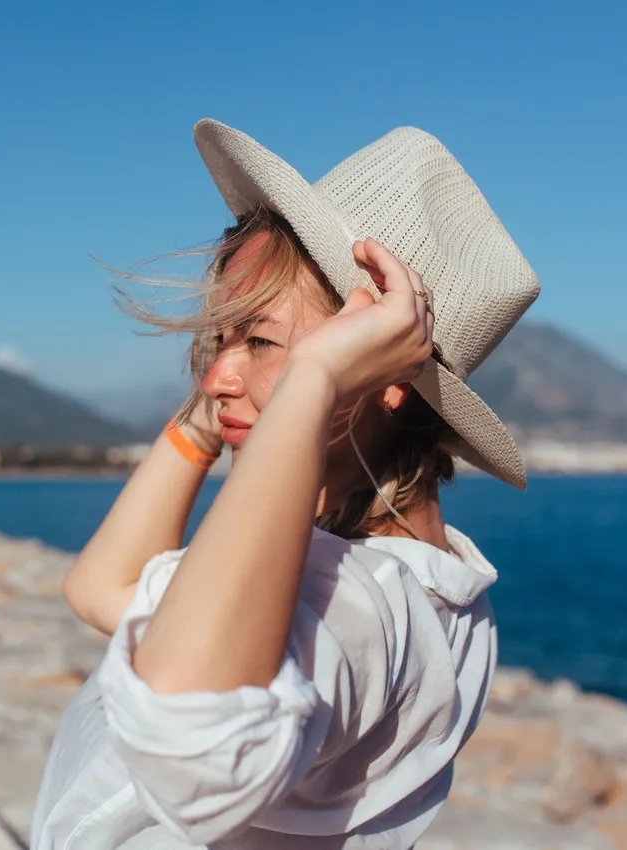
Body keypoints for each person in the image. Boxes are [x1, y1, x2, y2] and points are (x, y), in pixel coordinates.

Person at [30, 120, 540, 849]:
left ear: (385, 369)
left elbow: (189, 738)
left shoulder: (358, 601)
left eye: (261, 339)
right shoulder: (440, 591)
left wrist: (313, 376)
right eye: (220, 338)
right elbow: (103, 589)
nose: (215, 375)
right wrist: (223, 410)